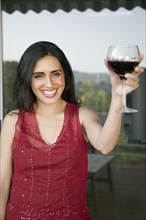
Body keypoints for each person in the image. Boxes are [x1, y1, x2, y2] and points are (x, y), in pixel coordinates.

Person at [0, 41, 144, 220]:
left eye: (55, 74)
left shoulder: (82, 116)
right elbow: (3, 182)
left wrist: (117, 95)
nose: (49, 83)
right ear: (27, 79)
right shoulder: (13, 121)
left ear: (65, 76)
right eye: (38, 76)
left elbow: (105, 146)